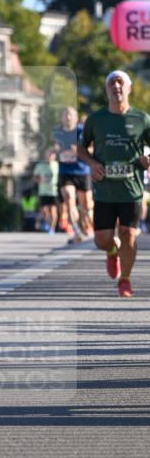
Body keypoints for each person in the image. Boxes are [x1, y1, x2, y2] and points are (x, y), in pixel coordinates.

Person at [77, 70, 150, 297]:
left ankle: (125, 280)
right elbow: (81, 148)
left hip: (131, 188)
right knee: (102, 239)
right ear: (106, 89)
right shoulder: (96, 119)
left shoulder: (142, 119)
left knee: (129, 232)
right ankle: (111, 251)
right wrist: (91, 163)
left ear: (129, 89)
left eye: (121, 82)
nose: (116, 86)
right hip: (104, 190)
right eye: (112, 83)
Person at [53, 106, 92, 243]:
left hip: (82, 170)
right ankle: (76, 230)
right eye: (65, 115)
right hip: (65, 171)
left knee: (86, 205)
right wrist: (54, 151)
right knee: (69, 198)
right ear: (62, 118)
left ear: (76, 117)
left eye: (70, 115)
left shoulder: (82, 130)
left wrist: (80, 150)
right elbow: (52, 147)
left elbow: (93, 148)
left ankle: (86, 224)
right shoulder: (57, 132)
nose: (68, 117)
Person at [33, 148, 59, 233]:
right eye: (48, 155)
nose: (50, 157)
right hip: (43, 191)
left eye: (52, 155)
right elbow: (34, 177)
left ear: (54, 156)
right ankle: (47, 223)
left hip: (54, 191)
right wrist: (40, 180)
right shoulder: (40, 165)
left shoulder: (57, 165)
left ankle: (52, 228)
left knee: (53, 211)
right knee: (44, 211)